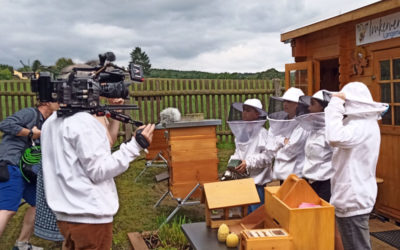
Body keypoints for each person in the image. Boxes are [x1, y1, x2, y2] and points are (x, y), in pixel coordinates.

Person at [41, 107, 155, 250]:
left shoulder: (51, 121)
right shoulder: (82, 122)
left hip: (67, 215)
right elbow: (99, 170)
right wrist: (135, 146)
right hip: (90, 217)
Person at [325, 82, 389, 250]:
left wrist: (335, 105)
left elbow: (334, 136)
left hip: (353, 199)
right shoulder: (362, 123)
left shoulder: (360, 125)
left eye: (345, 102)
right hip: (353, 197)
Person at [0, 101, 59, 250]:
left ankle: (22, 244)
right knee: (7, 209)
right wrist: (31, 133)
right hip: (12, 165)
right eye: (57, 100)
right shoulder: (30, 113)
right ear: (46, 102)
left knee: (38, 205)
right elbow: (6, 124)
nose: (61, 103)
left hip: (29, 172)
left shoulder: (47, 122)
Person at [225, 98, 272, 213]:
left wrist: (248, 163)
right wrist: (232, 165)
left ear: (257, 114)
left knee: (256, 219)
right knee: (242, 217)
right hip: (242, 183)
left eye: (248, 110)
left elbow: (268, 157)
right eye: (243, 110)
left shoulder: (263, 134)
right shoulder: (241, 134)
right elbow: (238, 152)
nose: (244, 113)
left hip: (257, 185)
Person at [296, 90, 334, 202]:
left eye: (313, 104)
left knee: (322, 217)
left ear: (323, 108)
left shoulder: (330, 132)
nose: (309, 108)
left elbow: (339, 159)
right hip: (311, 181)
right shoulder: (313, 131)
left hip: (326, 184)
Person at [267, 87, 309, 183]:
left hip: (298, 175)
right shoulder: (280, 121)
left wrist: (277, 141)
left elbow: (291, 149)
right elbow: (269, 147)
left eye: (289, 101)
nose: (285, 104)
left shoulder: (303, 124)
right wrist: (283, 140)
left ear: (298, 105)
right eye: (284, 101)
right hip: (283, 173)